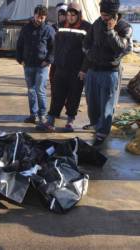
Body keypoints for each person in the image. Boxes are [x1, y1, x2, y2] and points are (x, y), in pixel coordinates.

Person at [83, 0, 133, 146]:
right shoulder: (97, 23)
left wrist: (111, 31)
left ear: (114, 14)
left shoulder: (124, 27)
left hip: (110, 72)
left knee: (106, 104)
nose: (103, 17)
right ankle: (95, 123)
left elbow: (122, 49)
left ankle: (103, 131)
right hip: (93, 69)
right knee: (92, 102)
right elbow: (86, 42)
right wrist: (90, 54)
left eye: (106, 15)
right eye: (102, 14)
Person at [37, 3, 91, 132]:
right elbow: (55, 46)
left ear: (78, 15)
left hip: (77, 71)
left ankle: (70, 122)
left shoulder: (87, 27)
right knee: (57, 95)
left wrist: (84, 69)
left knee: (74, 96)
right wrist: (53, 63)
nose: (70, 17)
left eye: (73, 15)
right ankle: (50, 121)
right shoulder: (60, 26)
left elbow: (89, 52)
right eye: (68, 15)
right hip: (60, 68)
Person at [16, 5, 55, 125]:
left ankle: (42, 115)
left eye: (42, 18)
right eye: (38, 16)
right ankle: (33, 115)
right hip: (28, 64)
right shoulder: (26, 28)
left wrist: (48, 61)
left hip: (42, 65)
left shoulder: (49, 30)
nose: (40, 19)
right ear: (34, 14)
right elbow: (19, 44)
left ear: (45, 17)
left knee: (40, 90)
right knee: (31, 90)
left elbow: (53, 48)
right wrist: (20, 59)